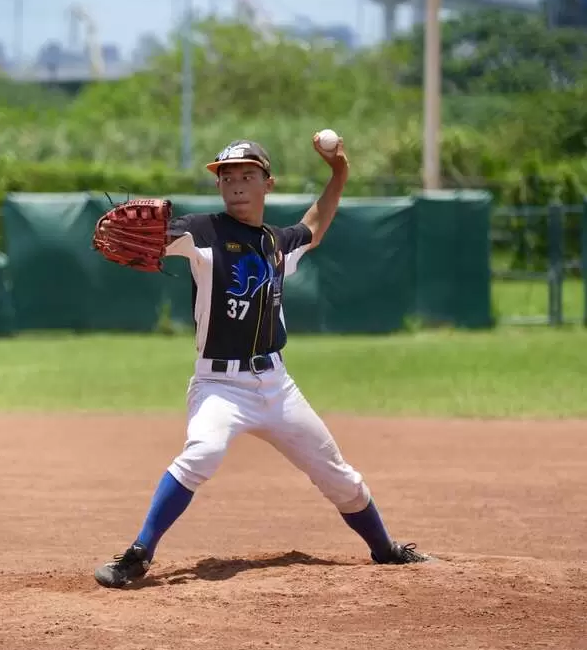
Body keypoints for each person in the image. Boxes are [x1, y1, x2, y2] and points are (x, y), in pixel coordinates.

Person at [93, 135, 432, 589]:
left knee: (339, 477)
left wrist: (339, 174)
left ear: (267, 184)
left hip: (276, 385)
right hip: (220, 386)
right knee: (204, 452)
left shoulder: (277, 242)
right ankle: (138, 555)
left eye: (246, 176)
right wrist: (151, 239)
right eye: (227, 177)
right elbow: (164, 238)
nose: (235, 185)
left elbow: (314, 227)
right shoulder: (203, 232)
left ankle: (384, 549)